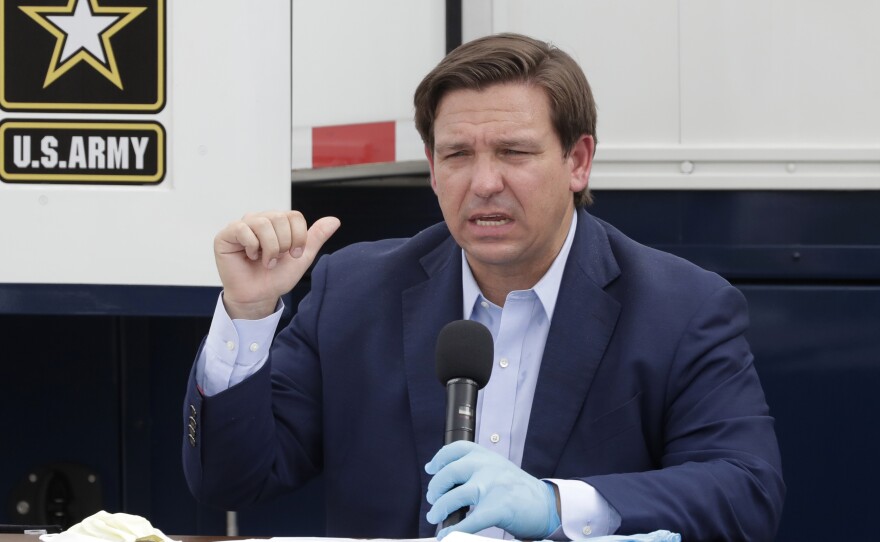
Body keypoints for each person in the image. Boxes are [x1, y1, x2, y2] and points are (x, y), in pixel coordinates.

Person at [183, 33, 785, 541]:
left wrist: (557, 506)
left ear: (578, 161)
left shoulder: (679, 306)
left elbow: (745, 490)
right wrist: (251, 311)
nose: (485, 182)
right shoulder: (355, 291)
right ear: (432, 164)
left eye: (514, 152)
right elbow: (231, 481)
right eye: (457, 155)